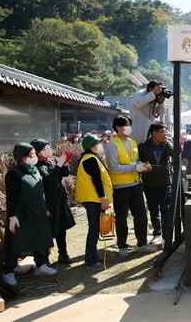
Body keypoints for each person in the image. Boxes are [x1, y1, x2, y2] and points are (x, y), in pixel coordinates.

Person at [2, 143, 57, 286]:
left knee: (38, 238)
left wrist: (44, 208)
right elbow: (11, 197)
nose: (34, 157)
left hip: (37, 211)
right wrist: (12, 216)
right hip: (20, 214)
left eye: (34, 154)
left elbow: (40, 192)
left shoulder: (34, 170)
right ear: (22, 158)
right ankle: (8, 271)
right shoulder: (13, 174)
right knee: (16, 242)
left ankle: (41, 266)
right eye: (31, 155)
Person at [105, 115, 159, 257]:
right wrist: (135, 167)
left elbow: (136, 161)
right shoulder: (112, 145)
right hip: (120, 187)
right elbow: (113, 168)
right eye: (126, 125)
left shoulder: (133, 142)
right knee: (122, 217)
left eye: (130, 124)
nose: (129, 127)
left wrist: (143, 167)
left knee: (141, 215)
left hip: (136, 184)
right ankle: (122, 245)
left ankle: (142, 243)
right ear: (117, 127)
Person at [30, 138, 76, 265]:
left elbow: (65, 174)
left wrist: (65, 164)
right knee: (47, 230)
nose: (48, 150)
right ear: (38, 153)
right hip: (47, 201)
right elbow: (49, 179)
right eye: (44, 149)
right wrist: (59, 165)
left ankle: (63, 253)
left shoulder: (53, 160)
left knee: (62, 228)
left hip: (60, 199)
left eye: (48, 147)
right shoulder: (37, 166)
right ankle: (44, 259)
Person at [74, 134, 113, 271]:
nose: (101, 145)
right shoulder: (90, 159)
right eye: (98, 143)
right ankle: (91, 259)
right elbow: (97, 181)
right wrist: (103, 199)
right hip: (93, 199)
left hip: (93, 198)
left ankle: (92, 257)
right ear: (92, 146)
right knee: (94, 229)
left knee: (95, 228)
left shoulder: (90, 158)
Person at [138, 122, 174, 245]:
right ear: (154, 133)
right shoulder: (143, 147)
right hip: (149, 183)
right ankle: (157, 231)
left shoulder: (167, 144)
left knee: (165, 208)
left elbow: (175, 155)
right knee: (153, 209)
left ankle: (165, 231)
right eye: (162, 132)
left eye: (165, 132)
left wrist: (176, 148)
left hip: (164, 182)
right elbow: (139, 162)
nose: (164, 134)